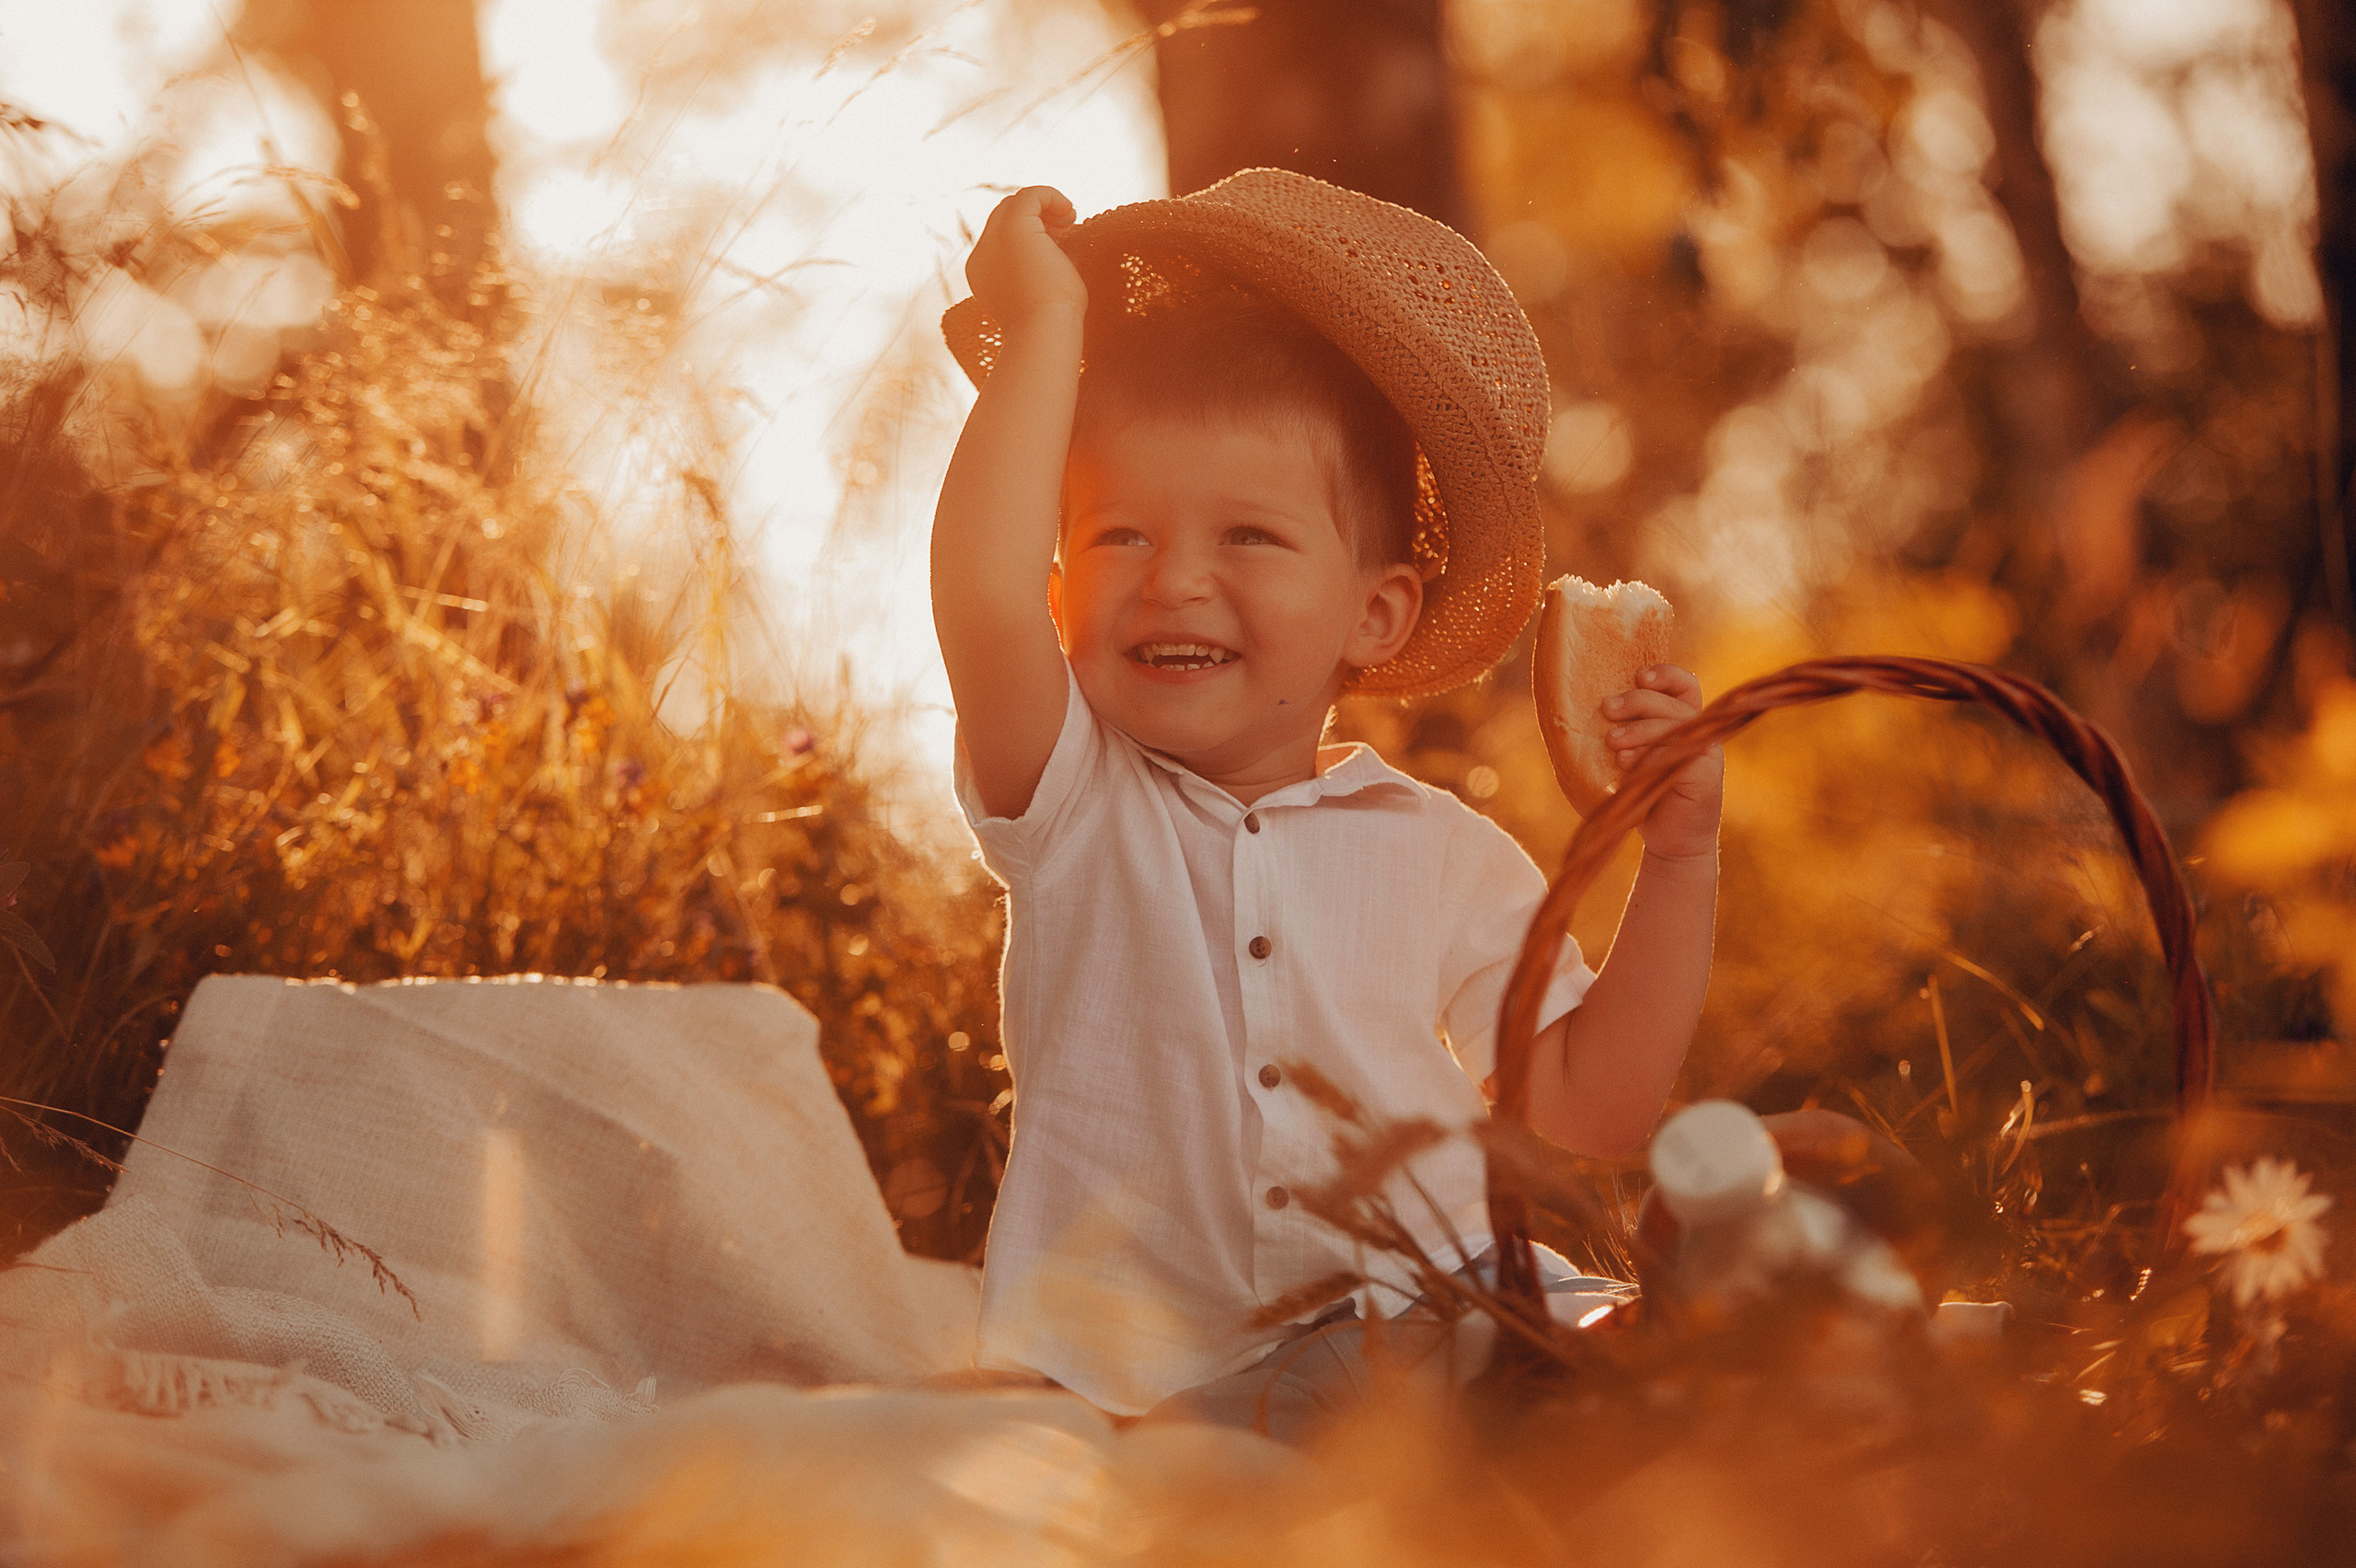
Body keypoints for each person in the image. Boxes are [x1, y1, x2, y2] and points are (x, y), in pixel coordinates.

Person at [930, 170, 1722, 1438]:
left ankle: (1711, 1357)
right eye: (1119, 536)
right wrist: (1046, 333)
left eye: (1248, 536)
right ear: (1061, 584)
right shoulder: (1076, 802)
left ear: (1376, 612)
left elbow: (1593, 1104)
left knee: (1604, 1342)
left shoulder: (1443, 854)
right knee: (1520, 1397)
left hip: (1447, 1305)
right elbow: (979, 598)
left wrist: (1679, 860)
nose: (1176, 578)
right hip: (1152, 1377)